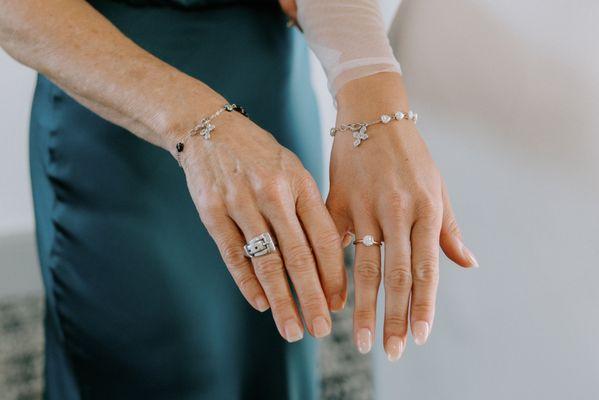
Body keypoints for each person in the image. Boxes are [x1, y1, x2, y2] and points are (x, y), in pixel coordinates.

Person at [0, 0, 477, 398]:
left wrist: (370, 89)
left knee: (274, 340)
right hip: (119, 100)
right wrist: (197, 127)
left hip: (267, 78)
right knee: (164, 362)